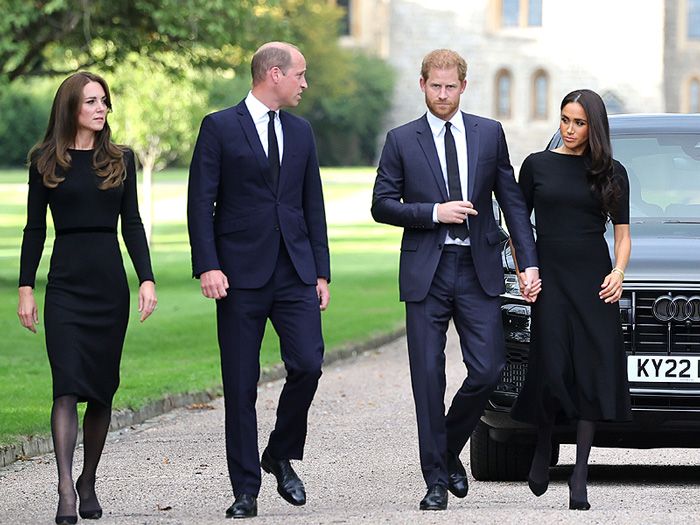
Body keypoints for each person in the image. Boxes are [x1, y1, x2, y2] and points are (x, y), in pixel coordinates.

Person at [371, 49, 540, 511]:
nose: (443, 95)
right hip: (426, 270)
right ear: (422, 84)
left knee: (487, 369)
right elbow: (382, 204)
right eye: (435, 86)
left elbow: (512, 203)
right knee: (427, 379)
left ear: (463, 87)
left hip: (478, 270)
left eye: (451, 87)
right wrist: (432, 213)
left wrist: (529, 263)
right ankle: (434, 482)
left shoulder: (489, 134)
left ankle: (445, 449)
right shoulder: (401, 140)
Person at [187, 41, 330, 519]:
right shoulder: (219, 127)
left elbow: (313, 206)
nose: (305, 84)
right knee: (241, 385)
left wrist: (321, 271)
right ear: (274, 74)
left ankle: (279, 452)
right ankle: (245, 489)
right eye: (300, 75)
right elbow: (200, 204)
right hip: (238, 276)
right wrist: (208, 265)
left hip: (294, 272)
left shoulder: (302, 132)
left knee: (309, 364)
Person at [17, 71, 157, 525]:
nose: (101, 109)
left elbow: (132, 224)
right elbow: (34, 228)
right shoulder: (44, 161)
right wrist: (25, 288)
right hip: (64, 287)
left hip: (108, 287)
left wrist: (147, 279)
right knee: (66, 387)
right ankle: (64, 488)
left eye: (104, 102)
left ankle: (88, 480)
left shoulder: (120, 159)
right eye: (92, 101)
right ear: (70, 108)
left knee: (100, 390)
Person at [510, 89, 632, 511]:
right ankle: (544, 444)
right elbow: (518, 225)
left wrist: (618, 273)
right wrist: (526, 270)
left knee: (591, 372)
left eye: (579, 122)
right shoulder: (537, 165)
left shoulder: (612, 172)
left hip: (594, 280)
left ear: (593, 126)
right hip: (551, 279)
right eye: (565, 120)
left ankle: (580, 474)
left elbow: (621, 232)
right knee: (552, 366)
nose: (570, 129)